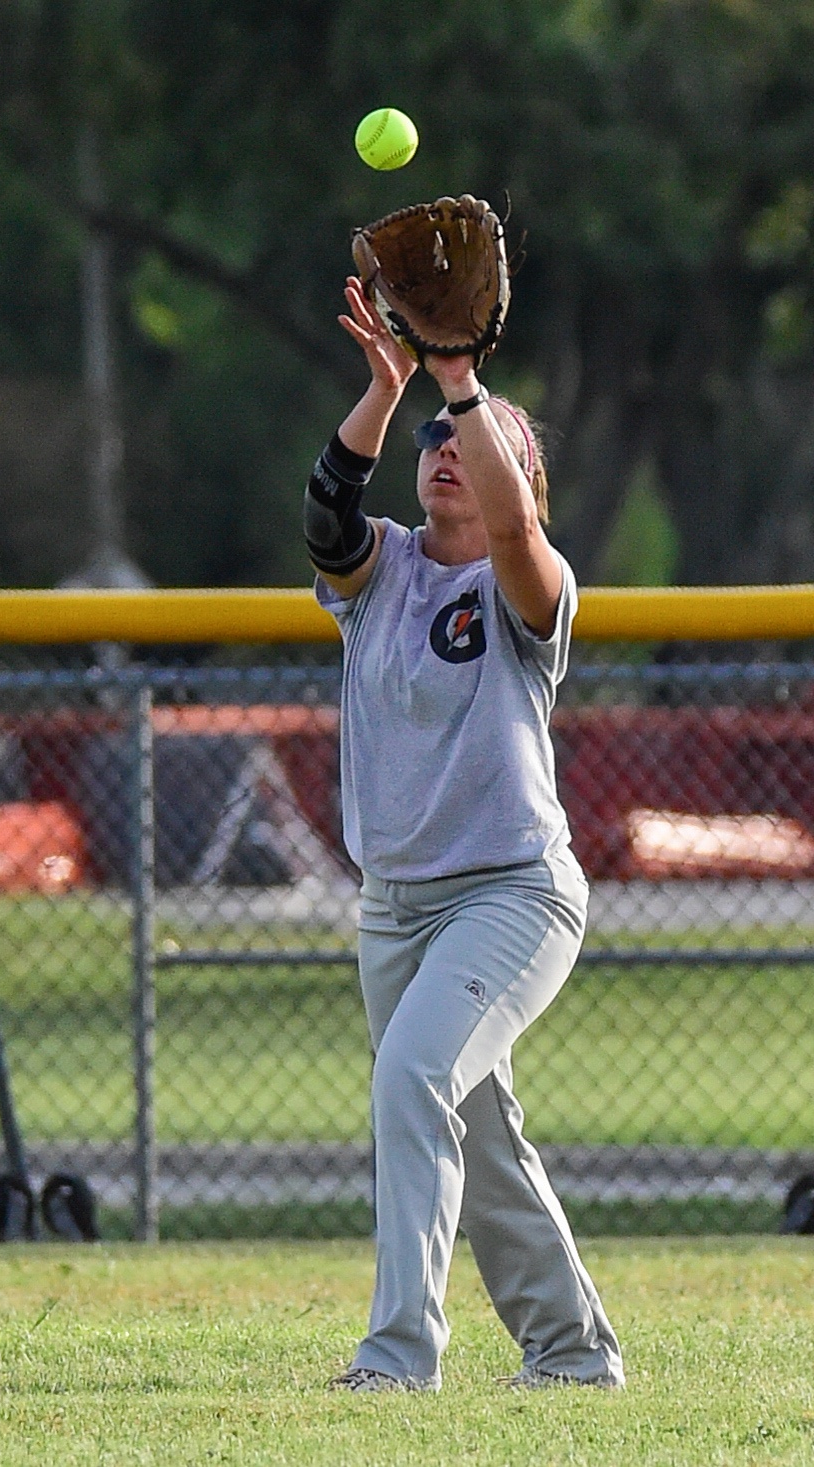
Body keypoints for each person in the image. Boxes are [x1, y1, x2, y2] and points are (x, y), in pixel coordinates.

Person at [303, 274, 625, 1394]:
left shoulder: (527, 586)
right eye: (434, 440)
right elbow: (325, 512)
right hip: (395, 908)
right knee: (476, 1131)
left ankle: (397, 1358)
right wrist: (393, 391)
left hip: (512, 898)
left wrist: (462, 380)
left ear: (517, 475)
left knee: (412, 1080)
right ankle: (575, 1353)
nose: (448, 447)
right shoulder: (381, 568)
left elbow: (523, 535)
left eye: (474, 440)